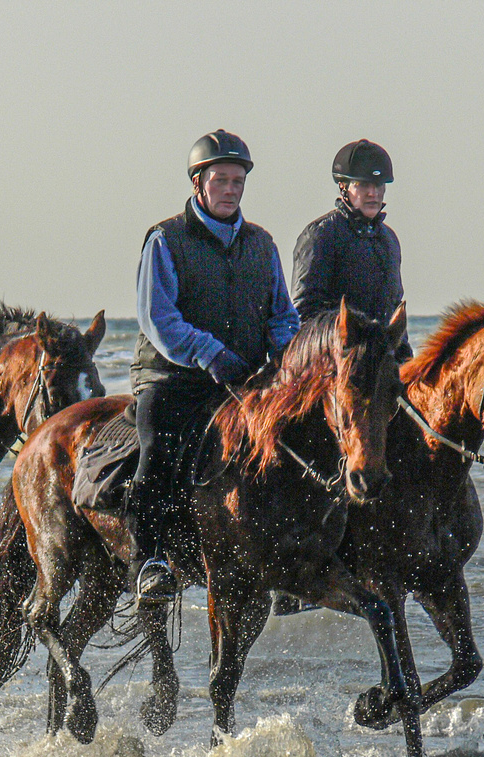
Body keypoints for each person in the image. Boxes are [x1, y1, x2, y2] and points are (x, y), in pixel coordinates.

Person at [128, 130, 300, 605]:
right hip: (171, 376)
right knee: (157, 450)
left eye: (238, 181)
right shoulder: (165, 239)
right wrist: (209, 352)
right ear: (198, 184)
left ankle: (288, 563)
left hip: (241, 376)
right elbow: (158, 318)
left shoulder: (262, 243)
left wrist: (286, 356)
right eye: (221, 180)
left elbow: (282, 314)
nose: (230, 189)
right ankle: (150, 560)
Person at [290, 139, 410, 359]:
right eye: (363, 185)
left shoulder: (389, 240)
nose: (373, 193)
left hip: (382, 364)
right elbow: (304, 313)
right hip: (334, 364)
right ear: (344, 187)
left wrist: (406, 360)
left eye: (378, 185)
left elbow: (394, 308)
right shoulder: (320, 235)